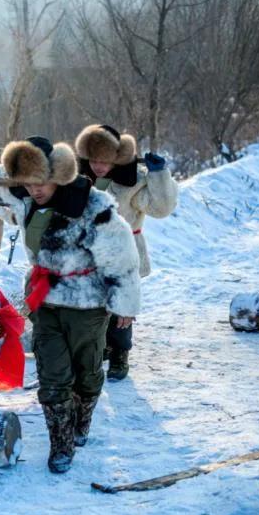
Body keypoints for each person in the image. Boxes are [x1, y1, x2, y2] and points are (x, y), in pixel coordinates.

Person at [0, 136, 141, 473]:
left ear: (57, 173)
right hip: (45, 300)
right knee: (53, 373)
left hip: (88, 303)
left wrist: (125, 305)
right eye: (27, 183)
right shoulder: (24, 200)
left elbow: (122, 257)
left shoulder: (93, 207)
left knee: (86, 372)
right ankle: (61, 444)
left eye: (39, 182)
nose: (34, 190)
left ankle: (81, 420)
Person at [75, 124, 178, 380]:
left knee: (121, 304)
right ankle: (100, 348)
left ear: (117, 159)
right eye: (95, 160)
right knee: (96, 305)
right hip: (89, 251)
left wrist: (159, 176)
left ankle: (121, 351)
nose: (99, 166)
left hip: (124, 250)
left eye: (105, 161)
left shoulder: (133, 182)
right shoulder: (78, 178)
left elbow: (160, 208)